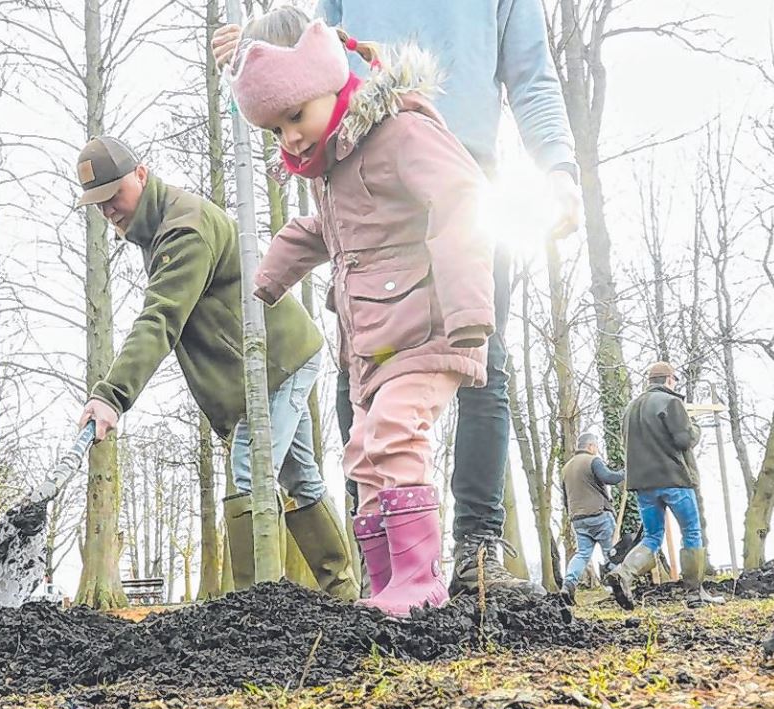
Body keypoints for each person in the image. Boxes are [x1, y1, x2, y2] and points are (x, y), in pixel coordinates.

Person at [213, 0, 583, 600]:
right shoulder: (318, 145)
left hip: (458, 173)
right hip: (354, 168)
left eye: (286, 124)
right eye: (275, 130)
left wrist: (558, 169)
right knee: (362, 409)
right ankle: (384, 566)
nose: (283, 139)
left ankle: (468, 554)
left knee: (476, 363)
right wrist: (257, 51)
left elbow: (533, 75)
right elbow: (316, 40)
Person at [228, 10, 495, 616]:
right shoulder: (330, 169)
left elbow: (461, 200)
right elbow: (321, 231)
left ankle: (420, 584)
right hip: (372, 347)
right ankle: (386, 583)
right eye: (274, 129)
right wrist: (267, 280)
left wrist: (469, 309)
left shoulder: (400, 132)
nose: (289, 137)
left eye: (295, 116)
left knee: (396, 432)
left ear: (330, 82)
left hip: (428, 328)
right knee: (363, 451)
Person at [72, 136, 359, 600]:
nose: (109, 210)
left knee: (250, 471)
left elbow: (160, 318)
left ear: (141, 174)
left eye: (113, 195)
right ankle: (345, 596)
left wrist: (111, 395)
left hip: (275, 361)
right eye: (98, 203)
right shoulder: (160, 229)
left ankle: (249, 609)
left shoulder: (184, 229)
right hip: (282, 355)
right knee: (300, 477)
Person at [605, 361, 723, 609]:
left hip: (643, 485)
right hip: (674, 480)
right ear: (669, 379)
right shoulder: (671, 402)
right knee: (691, 532)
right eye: (675, 379)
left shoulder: (630, 408)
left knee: (652, 537)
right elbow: (684, 438)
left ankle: (623, 574)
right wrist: (696, 429)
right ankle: (694, 593)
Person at [559, 432, 624, 605]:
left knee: (582, 554)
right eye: (596, 447)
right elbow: (609, 478)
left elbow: (565, 498)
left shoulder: (566, 468)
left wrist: (573, 514)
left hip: (578, 519)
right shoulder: (592, 461)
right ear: (590, 446)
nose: (596, 450)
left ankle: (568, 584)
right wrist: (625, 472)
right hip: (599, 514)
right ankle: (617, 590)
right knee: (610, 553)